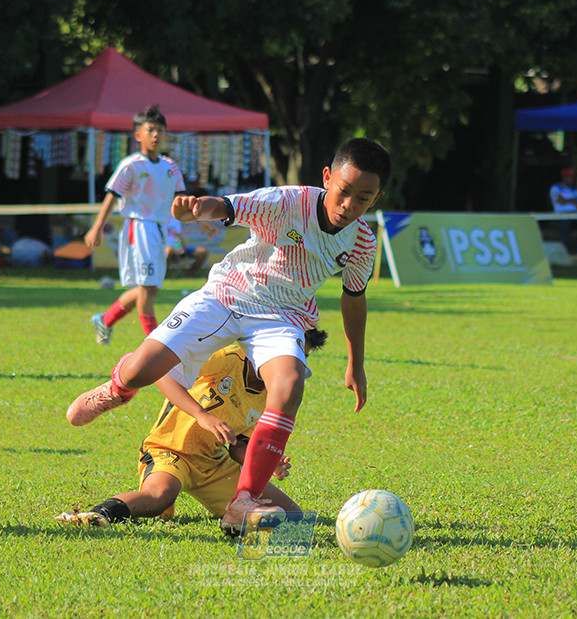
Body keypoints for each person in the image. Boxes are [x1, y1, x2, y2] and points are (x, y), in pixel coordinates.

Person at [65, 137, 390, 536]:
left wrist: (355, 363)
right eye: (343, 191)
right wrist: (200, 209)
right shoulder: (288, 201)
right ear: (327, 178)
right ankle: (119, 387)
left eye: (364, 198)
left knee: (288, 386)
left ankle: (243, 501)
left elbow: (354, 298)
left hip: (281, 316)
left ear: (376, 198)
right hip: (226, 294)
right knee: (140, 372)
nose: (348, 205)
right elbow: (231, 207)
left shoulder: (362, 241)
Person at [58, 328, 328, 528]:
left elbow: (239, 445)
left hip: (213, 463)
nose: (288, 371)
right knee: (159, 497)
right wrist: (201, 414)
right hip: (169, 450)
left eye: (296, 364)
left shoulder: (273, 394)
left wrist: (267, 461)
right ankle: (96, 515)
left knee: (292, 518)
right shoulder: (228, 358)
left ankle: (233, 525)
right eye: (287, 360)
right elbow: (162, 373)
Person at [84, 105, 185, 346]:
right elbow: (112, 195)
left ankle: (105, 320)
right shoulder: (131, 165)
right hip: (138, 227)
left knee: (149, 289)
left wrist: (201, 225)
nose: (156, 135)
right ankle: (154, 342)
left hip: (160, 229)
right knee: (148, 287)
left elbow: (179, 200)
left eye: (160, 130)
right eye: (150, 130)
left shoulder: (170, 166)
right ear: (138, 135)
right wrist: (97, 227)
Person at [549, 167, 577, 252]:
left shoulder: (574, 190)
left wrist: (567, 200)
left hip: (575, 215)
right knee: (565, 224)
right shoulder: (556, 188)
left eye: (573, 177)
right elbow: (561, 201)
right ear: (565, 177)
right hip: (561, 215)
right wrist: (572, 200)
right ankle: (562, 248)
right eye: (570, 177)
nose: (572, 179)